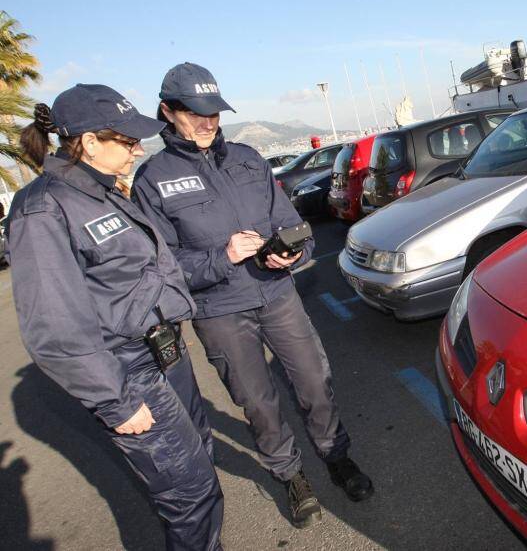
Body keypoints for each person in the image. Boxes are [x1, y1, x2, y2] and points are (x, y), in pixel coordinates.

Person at [132, 63, 373, 528]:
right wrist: (222, 257)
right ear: (168, 111)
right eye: (196, 113)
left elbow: (287, 221)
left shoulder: (247, 158)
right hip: (219, 311)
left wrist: (290, 249)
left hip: (277, 294)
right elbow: (160, 268)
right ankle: (290, 474)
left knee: (314, 382)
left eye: (215, 113)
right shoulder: (152, 180)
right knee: (257, 402)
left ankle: (335, 455)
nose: (208, 123)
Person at [9, 85, 223, 550]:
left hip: (164, 354)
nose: (137, 149)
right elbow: (54, 325)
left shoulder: (102, 193)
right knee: (190, 495)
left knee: (201, 465)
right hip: (129, 373)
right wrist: (114, 401)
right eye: (127, 141)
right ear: (88, 141)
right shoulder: (43, 207)